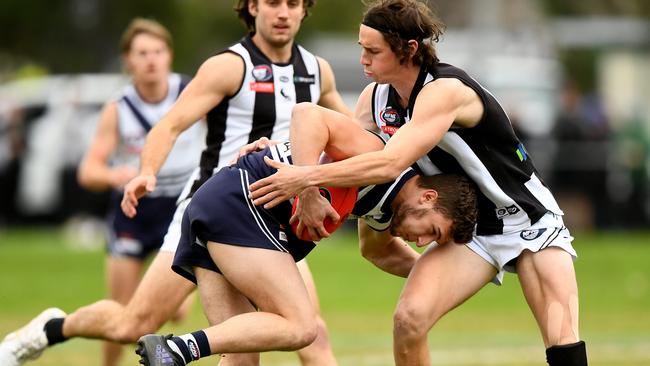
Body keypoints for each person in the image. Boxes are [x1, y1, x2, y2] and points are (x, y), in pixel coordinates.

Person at [0, 1, 348, 365]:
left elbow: (349, 127)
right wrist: (147, 171)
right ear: (251, 7)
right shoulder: (229, 66)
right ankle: (53, 327)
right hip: (218, 210)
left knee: (310, 335)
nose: (282, 13)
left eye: (292, 3)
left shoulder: (316, 70)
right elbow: (170, 124)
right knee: (134, 324)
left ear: (305, 9)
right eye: (272, 3)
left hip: (274, 215)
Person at [247, 1, 589, 365]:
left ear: (409, 49)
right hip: (465, 229)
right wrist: (282, 147)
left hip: (527, 219)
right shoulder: (374, 98)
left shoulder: (446, 90)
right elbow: (349, 153)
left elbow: (389, 162)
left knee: (561, 341)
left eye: (373, 51)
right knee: (408, 321)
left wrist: (304, 178)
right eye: (361, 48)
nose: (364, 59)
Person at [134, 138, 478, 365]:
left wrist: (446, 278)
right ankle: (177, 348)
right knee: (301, 327)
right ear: (428, 198)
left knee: (242, 357)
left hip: (224, 207)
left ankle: (174, 351)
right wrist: (308, 185)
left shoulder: (387, 210)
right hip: (242, 203)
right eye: (431, 232)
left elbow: (379, 252)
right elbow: (308, 114)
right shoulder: (380, 155)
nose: (420, 241)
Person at [75, 18, 204, 366]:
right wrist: (112, 174)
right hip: (134, 211)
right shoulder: (119, 109)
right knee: (122, 312)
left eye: (158, 51)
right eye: (142, 53)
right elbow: (88, 170)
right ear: (128, 60)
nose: (151, 60)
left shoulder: (191, 93)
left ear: (169, 55)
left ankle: (167, 330)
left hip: (179, 209)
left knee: (174, 313)